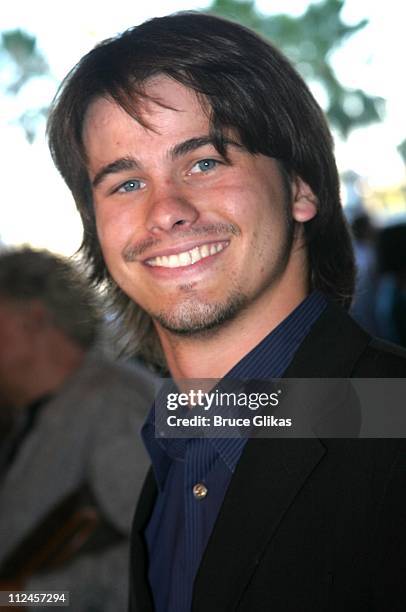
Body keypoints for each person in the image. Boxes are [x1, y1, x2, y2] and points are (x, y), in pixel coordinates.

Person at [46, 12, 406, 612]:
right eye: (126, 183)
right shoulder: (174, 441)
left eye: (205, 162)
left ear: (300, 188)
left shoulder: (392, 425)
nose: (166, 211)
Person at [0, 248, 155, 611]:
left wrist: (29, 597)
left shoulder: (113, 404)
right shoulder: (44, 408)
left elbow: (155, 551)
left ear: (34, 319)